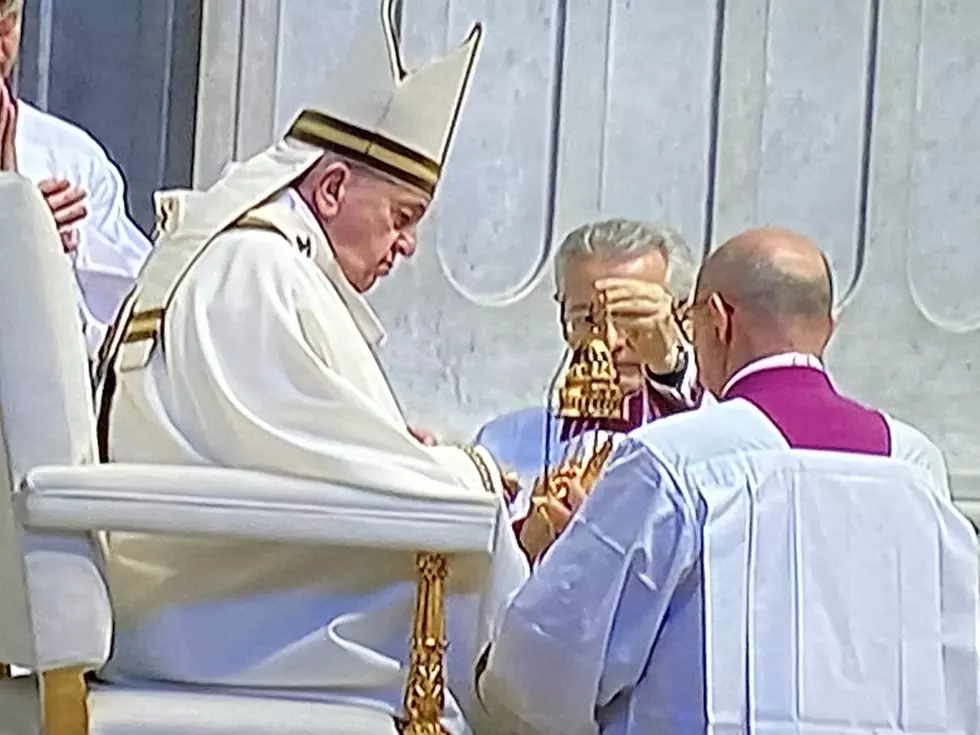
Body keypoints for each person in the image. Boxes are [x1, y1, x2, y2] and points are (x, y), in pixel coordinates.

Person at [94, 2, 526, 733]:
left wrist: (404, 454)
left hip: (205, 574)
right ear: (329, 189)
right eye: (401, 215)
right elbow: (321, 455)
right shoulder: (256, 271)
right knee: (474, 568)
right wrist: (471, 475)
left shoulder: (259, 257)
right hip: (197, 616)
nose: (408, 245)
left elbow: (303, 442)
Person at [476, 226, 979, 734]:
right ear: (829, 326)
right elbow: (959, 661)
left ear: (716, 321)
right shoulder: (915, 464)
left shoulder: (675, 460)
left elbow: (543, 670)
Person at [475, 219, 699, 558]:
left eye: (632, 319)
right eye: (585, 319)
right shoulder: (503, 442)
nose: (611, 342)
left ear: (680, 317)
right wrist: (525, 546)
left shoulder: (706, 430)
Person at [0, 0, 152, 356]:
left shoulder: (75, 161)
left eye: (8, 23)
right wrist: (18, 230)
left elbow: (128, 313)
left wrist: (49, 253)